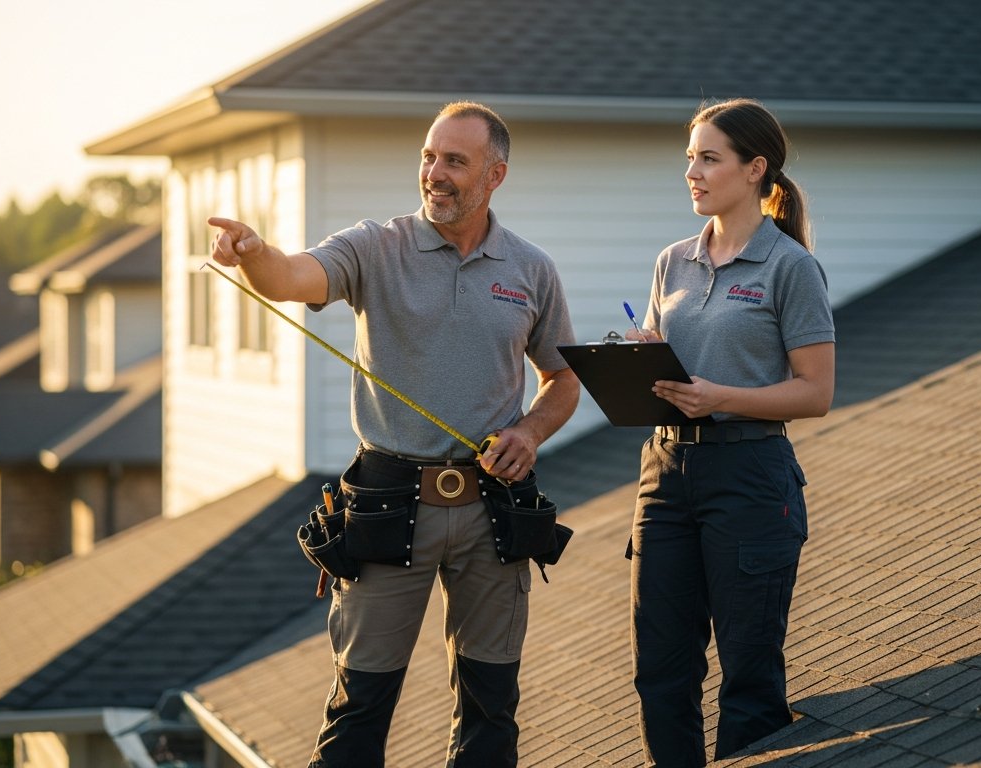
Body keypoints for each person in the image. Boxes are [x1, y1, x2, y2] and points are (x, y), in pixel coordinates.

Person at [208, 102, 580, 768]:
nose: (434, 173)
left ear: (495, 175)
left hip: (492, 510)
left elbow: (564, 380)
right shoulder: (373, 247)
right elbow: (293, 277)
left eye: (454, 162)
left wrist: (529, 431)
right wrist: (254, 253)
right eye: (428, 158)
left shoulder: (531, 270)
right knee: (358, 714)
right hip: (387, 504)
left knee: (490, 712)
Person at [624, 98, 835, 765]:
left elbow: (816, 391)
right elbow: (674, 375)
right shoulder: (672, 262)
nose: (692, 171)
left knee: (749, 679)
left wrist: (722, 397)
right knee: (660, 669)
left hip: (748, 479)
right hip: (663, 477)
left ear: (755, 169)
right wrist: (646, 359)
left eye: (709, 158)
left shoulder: (790, 267)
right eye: (690, 157)